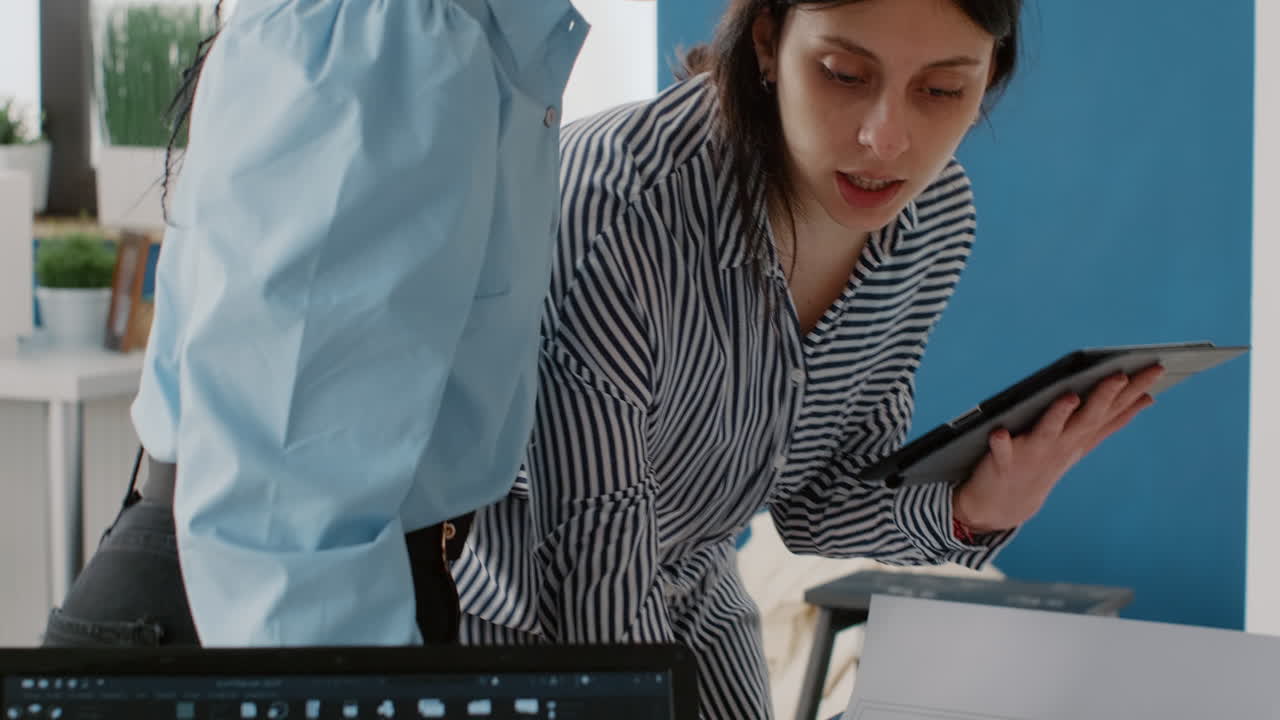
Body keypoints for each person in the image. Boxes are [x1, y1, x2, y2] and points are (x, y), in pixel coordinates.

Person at [452, 0, 1164, 717]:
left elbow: (817, 505)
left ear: (991, 77)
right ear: (767, 43)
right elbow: (591, 561)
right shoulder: (621, 206)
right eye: (843, 74)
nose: (886, 139)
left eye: (942, 90)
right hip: (505, 618)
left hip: (695, 602)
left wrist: (970, 511)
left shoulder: (933, 221)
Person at [43, 0, 591, 647]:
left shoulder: (455, 33)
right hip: (250, 619)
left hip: (293, 596)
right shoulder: (385, 29)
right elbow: (284, 525)